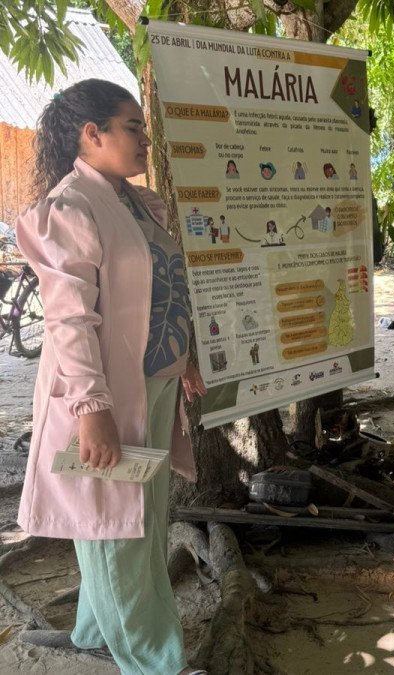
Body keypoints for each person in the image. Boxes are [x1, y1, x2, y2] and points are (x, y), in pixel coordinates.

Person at [13, 79, 208, 674]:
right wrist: (91, 408)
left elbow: (162, 290)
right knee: (115, 530)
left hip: (151, 386)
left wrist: (187, 357)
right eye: (133, 127)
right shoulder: (71, 209)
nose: (145, 140)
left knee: (136, 519)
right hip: (101, 397)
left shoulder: (130, 202)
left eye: (144, 128)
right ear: (91, 134)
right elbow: (69, 320)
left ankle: (95, 629)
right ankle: (156, 664)